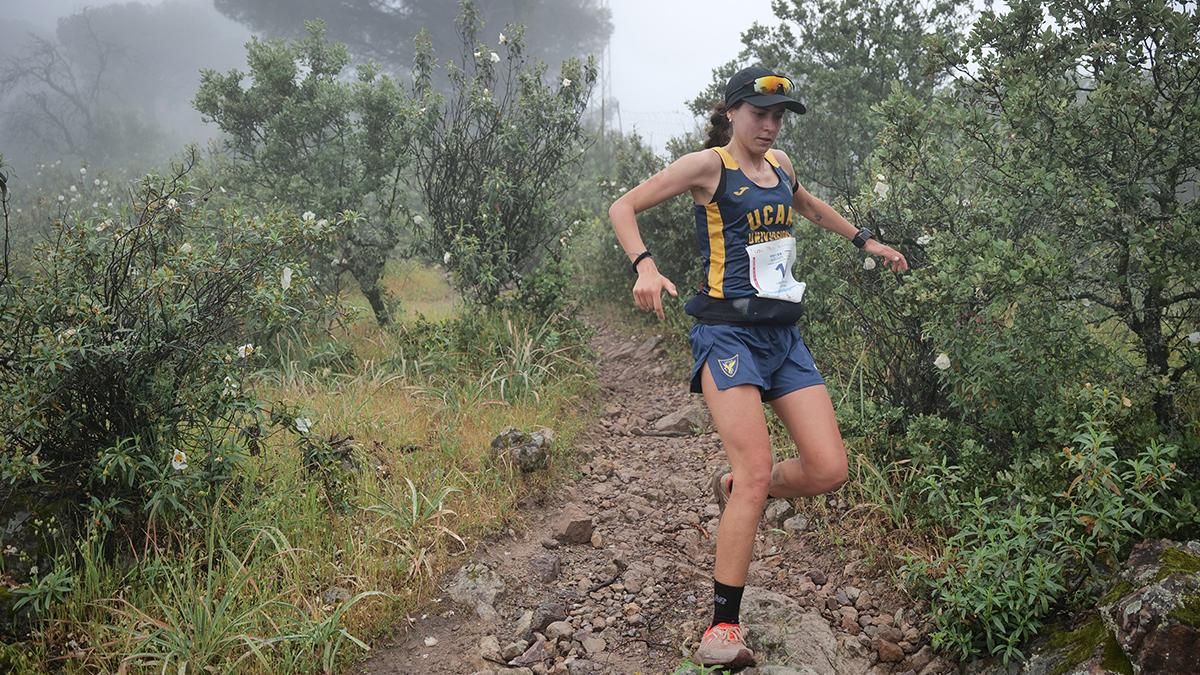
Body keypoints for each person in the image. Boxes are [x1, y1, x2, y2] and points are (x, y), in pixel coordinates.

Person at [607, 66, 908, 668]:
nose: (769, 126)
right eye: (759, 114)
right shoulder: (708, 167)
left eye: (777, 117)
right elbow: (624, 206)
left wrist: (865, 241)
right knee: (755, 471)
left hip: (783, 337)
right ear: (732, 112)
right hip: (726, 333)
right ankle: (722, 628)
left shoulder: (782, 165)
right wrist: (645, 266)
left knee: (828, 468)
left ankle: (734, 489)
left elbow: (808, 205)